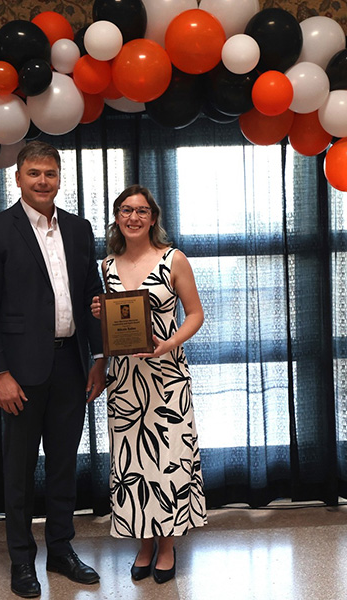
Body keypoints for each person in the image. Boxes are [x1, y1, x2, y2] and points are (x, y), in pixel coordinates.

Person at [0, 140, 106, 598]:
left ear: (59, 178)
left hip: (72, 364)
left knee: (65, 466)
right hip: (19, 373)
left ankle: (62, 551)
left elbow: (94, 298)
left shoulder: (80, 229)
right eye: (34, 174)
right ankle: (21, 562)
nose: (42, 181)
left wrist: (100, 356)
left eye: (50, 173)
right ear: (18, 178)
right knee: (20, 472)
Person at [91, 184, 207, 584]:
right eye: (126, 210)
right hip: (125, 381)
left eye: (142, 211)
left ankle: (168, 546)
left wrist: (170, 343)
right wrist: (99, 313)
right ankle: (143, 544)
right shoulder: (106, 266)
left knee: (168, 461)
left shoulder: (173, 258)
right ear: (117, 218)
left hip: (167, 376)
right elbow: (111, 329)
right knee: (132, 466)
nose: (134, 217)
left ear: (153, 218)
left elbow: (195, 314)